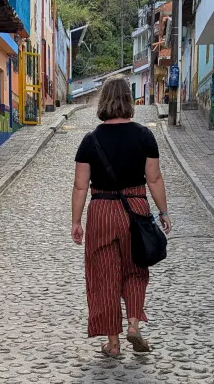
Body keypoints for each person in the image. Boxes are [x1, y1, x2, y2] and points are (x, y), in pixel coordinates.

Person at [71, 77, 172, 358]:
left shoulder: (90, 140)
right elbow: (154, 179)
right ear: (129, 100)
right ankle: (134, 325)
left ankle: (113, 344)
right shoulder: (144, 136)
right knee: (136, 268)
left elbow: (80, 186)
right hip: (135, 209)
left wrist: (76, 221)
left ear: (103, 101)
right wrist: (163, 212)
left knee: (104, 276)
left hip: (102, 211)